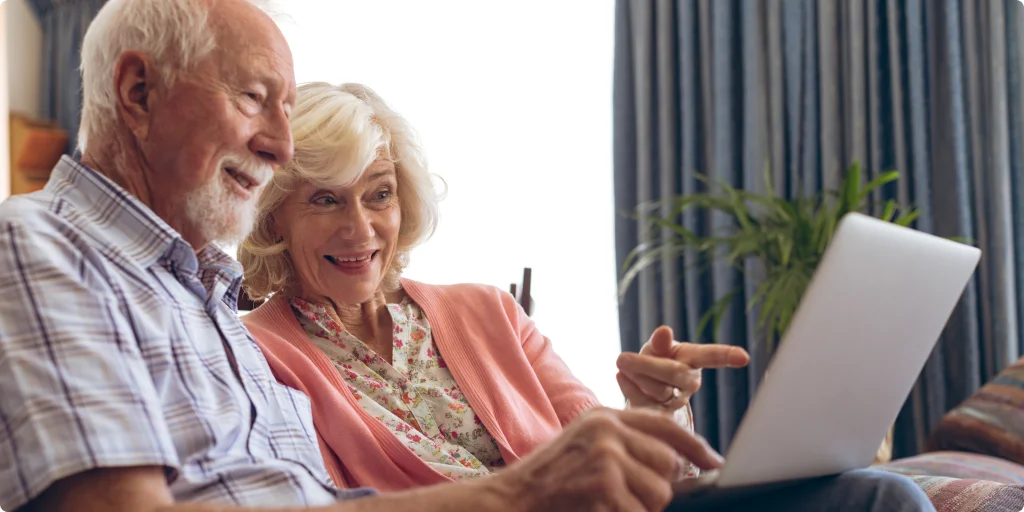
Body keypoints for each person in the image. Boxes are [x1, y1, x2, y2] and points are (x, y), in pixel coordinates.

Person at [236, 81, 935, 512]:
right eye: (325, 200)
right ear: (273, 217)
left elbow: (615, 459)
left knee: (881, 496)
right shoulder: (255, 352)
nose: (360, 229)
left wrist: (654, 410)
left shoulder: (488, 310)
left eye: (379, 195)